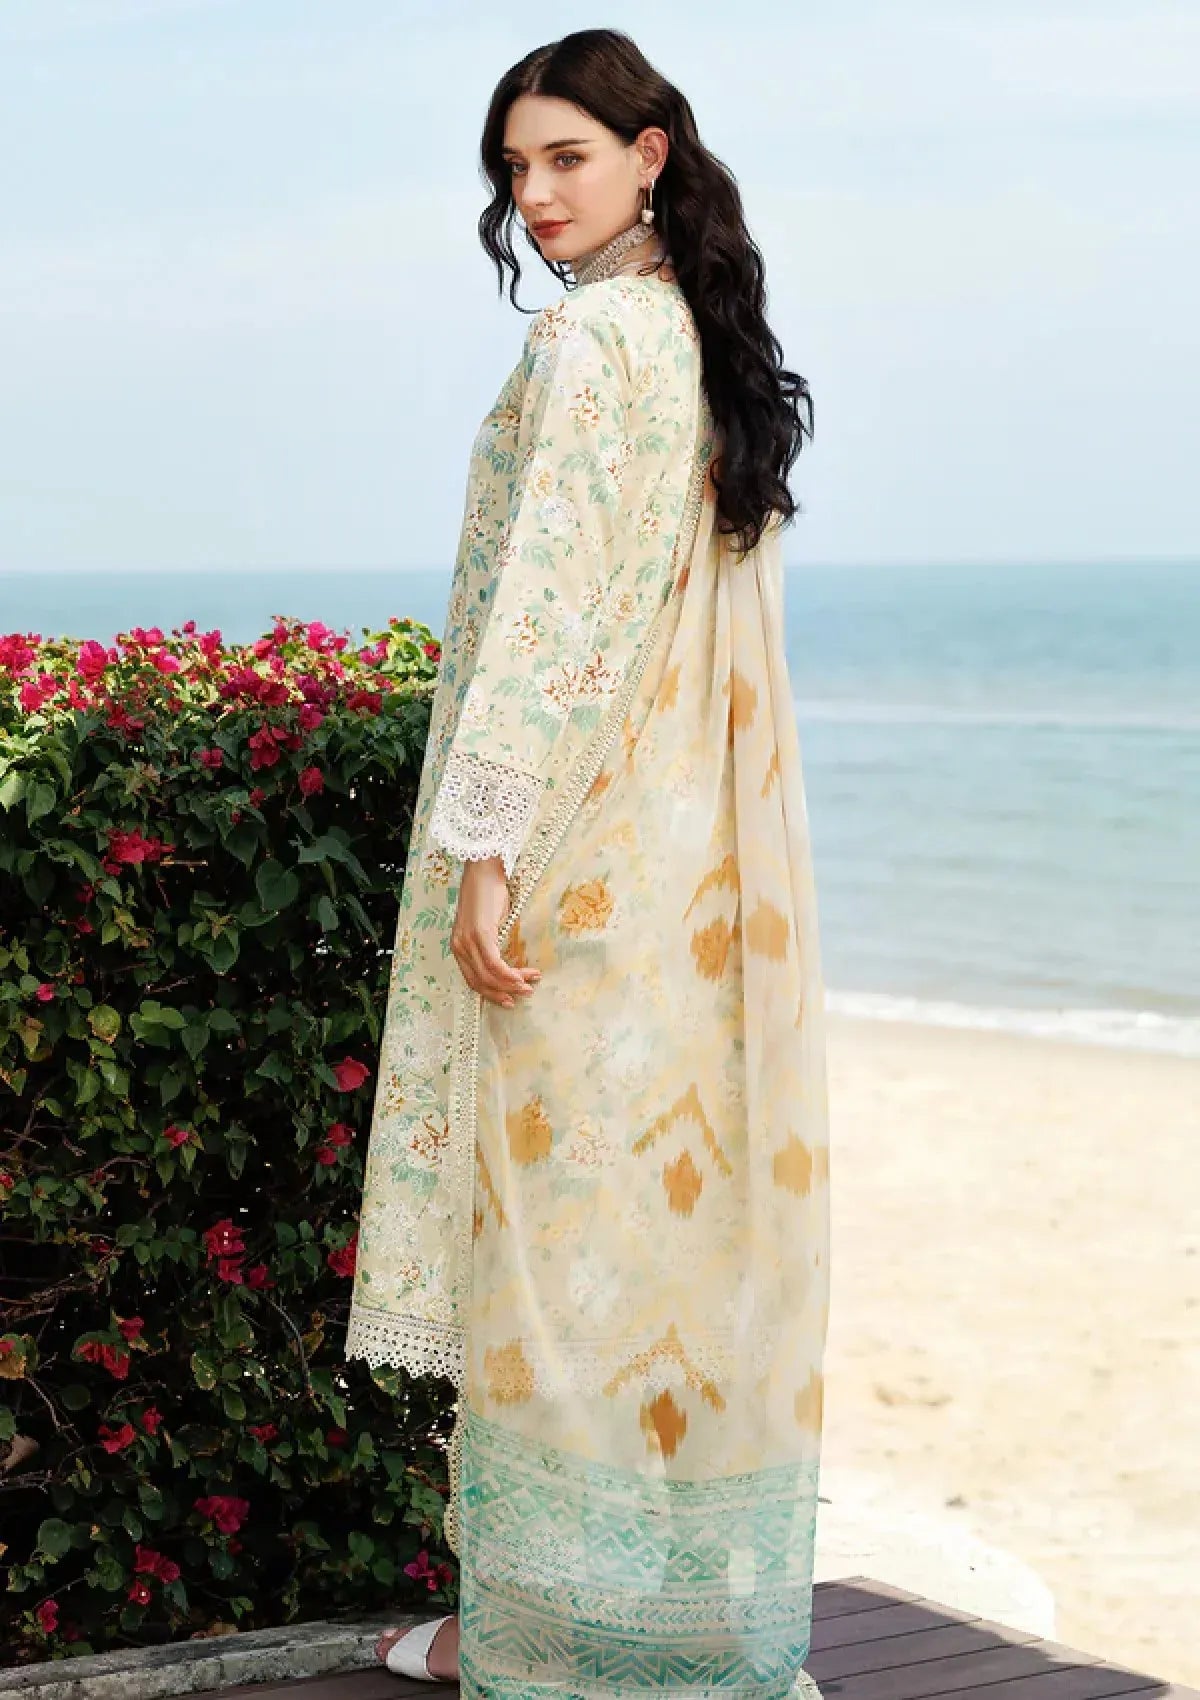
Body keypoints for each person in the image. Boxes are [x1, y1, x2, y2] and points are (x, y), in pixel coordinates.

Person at [346, 27, 830, 1700]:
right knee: (659, 1251)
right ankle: (672, 1621)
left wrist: (485, 853)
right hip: (701, 878)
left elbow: (541, 623)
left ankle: (530, 1636)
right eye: (515, 168)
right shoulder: (703, 344)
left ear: (650, 155)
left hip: (580, 865)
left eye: (566, 157)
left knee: (548, 1261)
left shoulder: (592, 341)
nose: (536, 196)